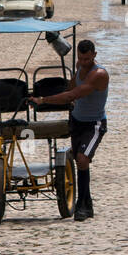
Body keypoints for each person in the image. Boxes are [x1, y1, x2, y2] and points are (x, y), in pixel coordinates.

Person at [32, 39, 109, 222]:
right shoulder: (79, 67)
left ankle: (81, 205)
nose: (83, 63)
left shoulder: (99, 74)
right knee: (78, 160)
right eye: (81, 59)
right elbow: (72, 86)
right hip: (77, 120)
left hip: (94, 123)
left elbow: (74, 94)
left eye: (87, 59)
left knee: (82, 160)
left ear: (94, 56)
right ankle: (87, 203)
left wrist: (44, 100)